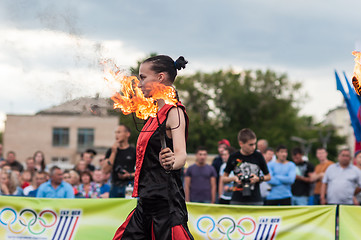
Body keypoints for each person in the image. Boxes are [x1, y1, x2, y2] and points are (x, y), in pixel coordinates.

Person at [113, 55, 193, 239]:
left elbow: (181, 155)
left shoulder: (175, 112)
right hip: (145, 204)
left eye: (143, 77)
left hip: (166, 206)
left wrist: (172, 162)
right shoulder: (152, 116)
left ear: (160, 78)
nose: (139, 84)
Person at [222, 128, 271, 205]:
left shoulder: (258, 156)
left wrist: (257, 179)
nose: (254, 147)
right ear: (241, 144)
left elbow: (268, 176)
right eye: (250, 144)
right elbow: (223, 179)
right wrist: (234, 178)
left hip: (255, 200)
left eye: (255, 144)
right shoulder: (233, 157)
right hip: (237, 200)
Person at [102, 125, 136, 198]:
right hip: (114, 186)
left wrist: (129, 175)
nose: (117, 135)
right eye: (116, 133)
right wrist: (113, 153)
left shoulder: (133, 151)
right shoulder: (111, 151)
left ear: (127, 134)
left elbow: (142, 170)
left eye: (119, 132)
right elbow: (105, 170)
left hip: (129, 186)